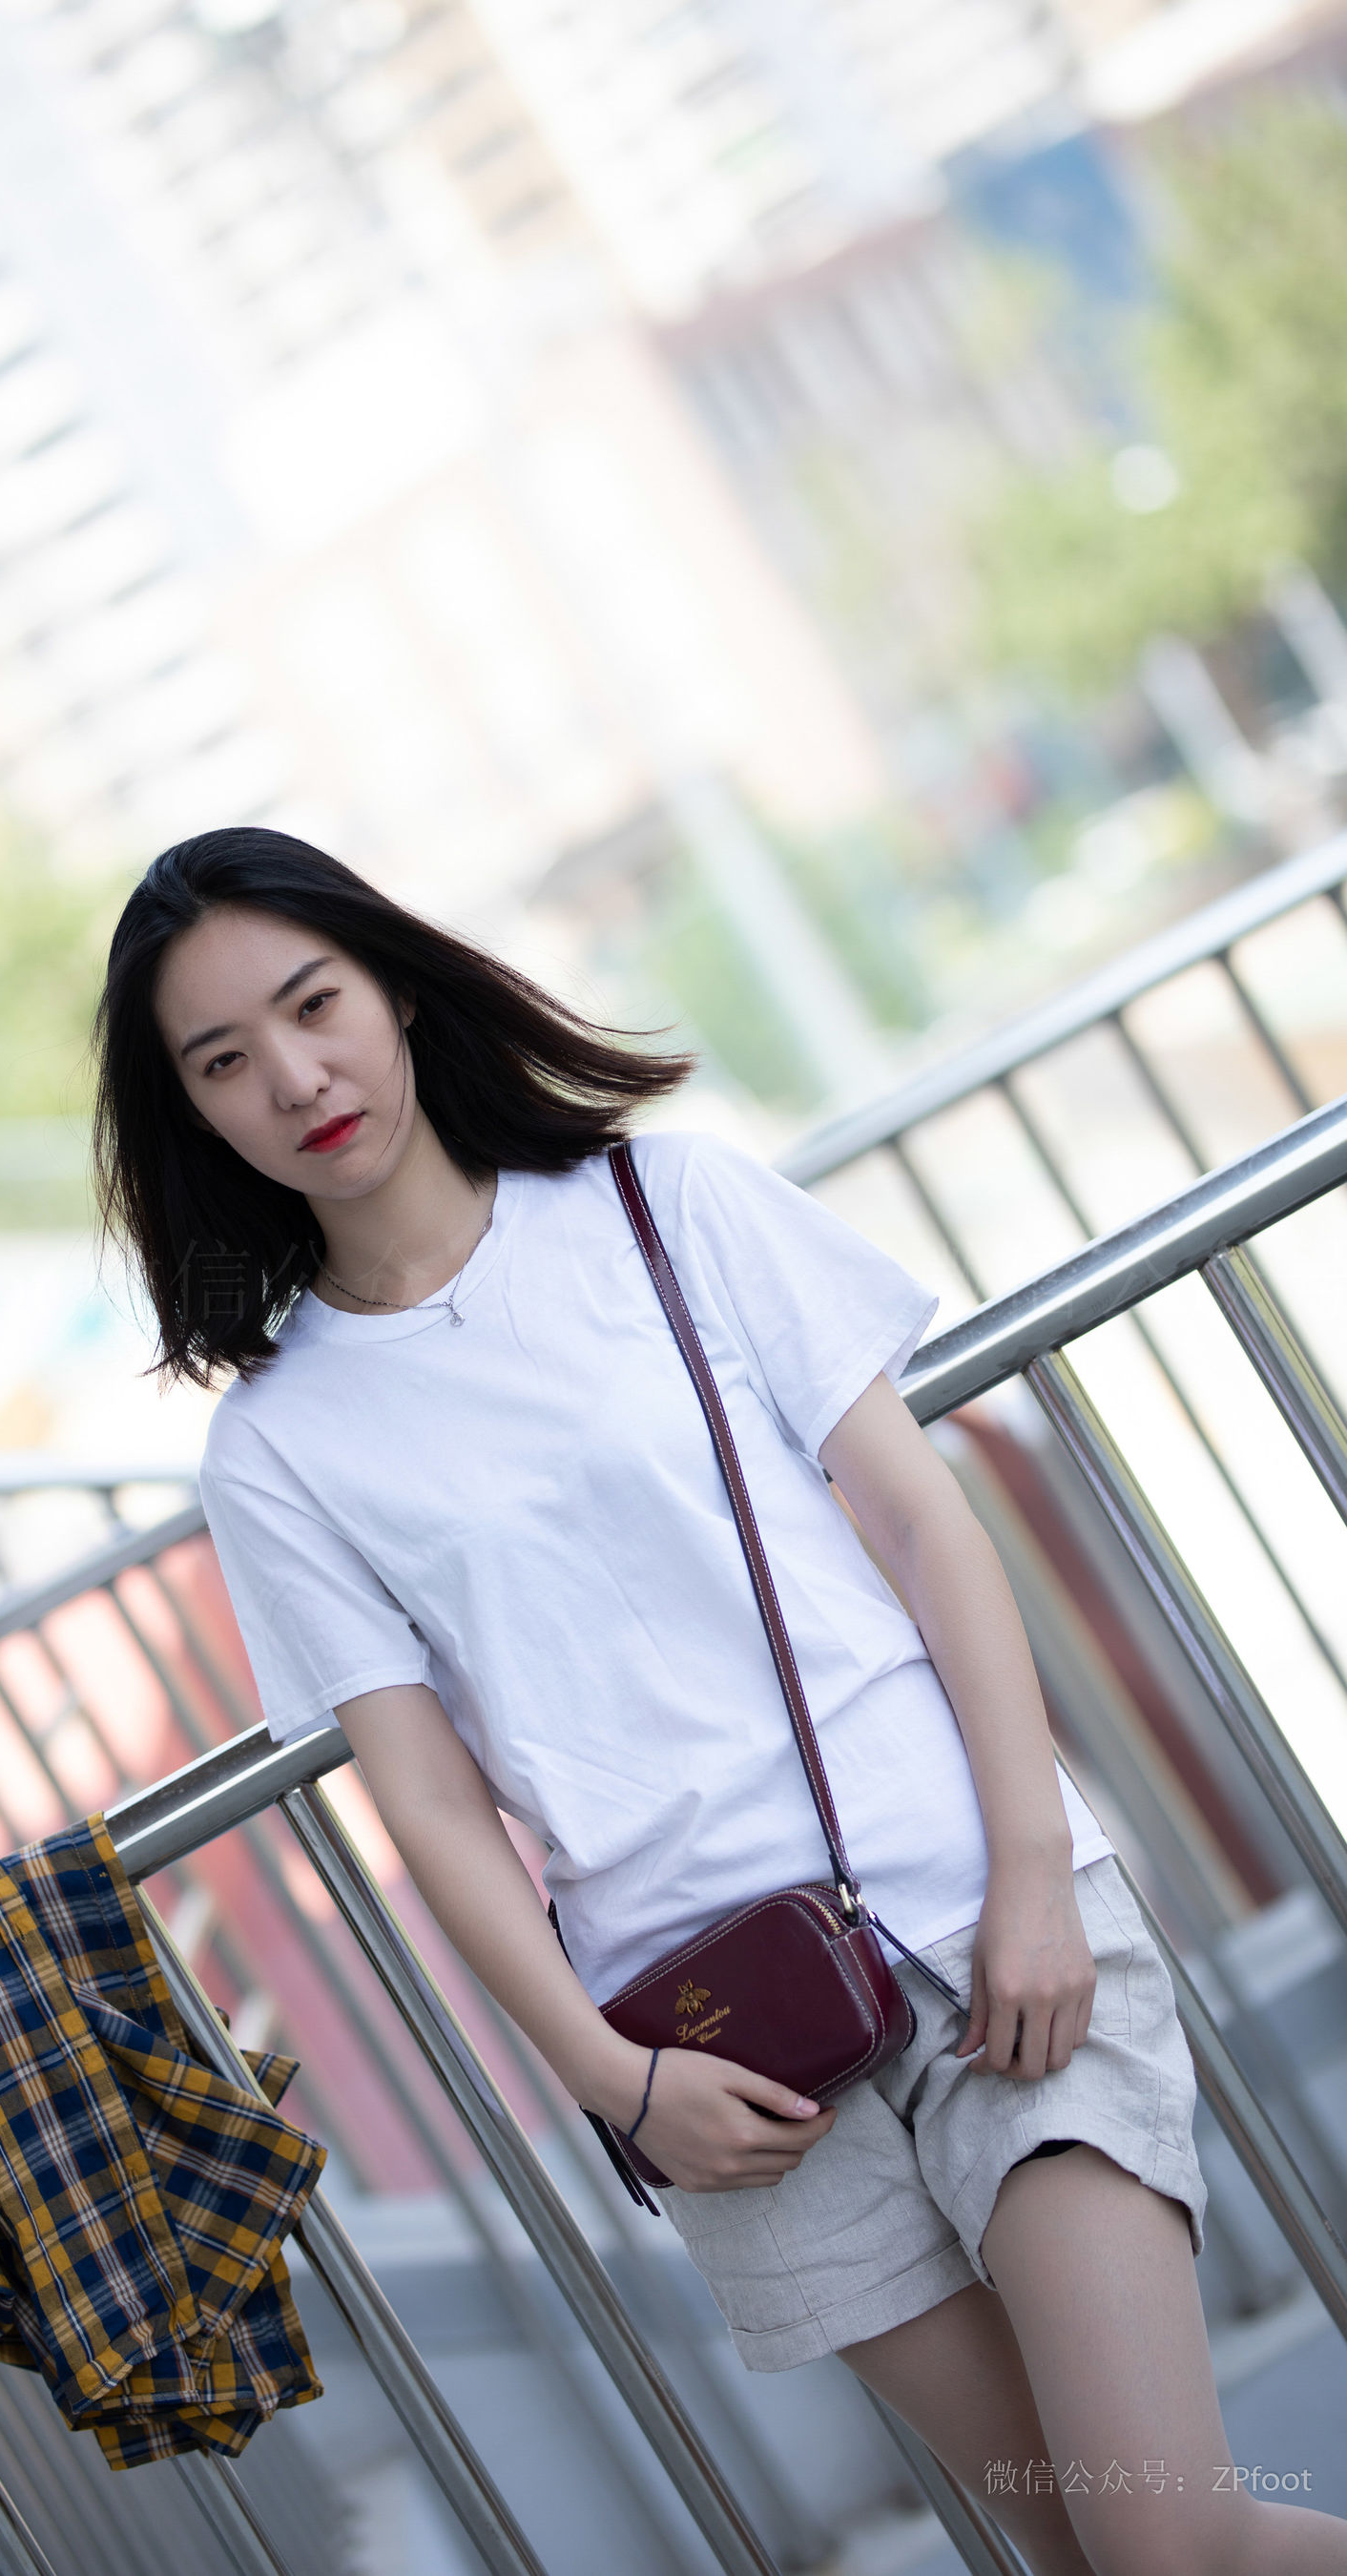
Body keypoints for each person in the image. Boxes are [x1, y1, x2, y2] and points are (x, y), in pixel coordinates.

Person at [93, 825, 1347, 2576]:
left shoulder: (666, 1206)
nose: (295, 1078)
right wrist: (616, 2081)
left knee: (1164, 2546)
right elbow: (430, 1804)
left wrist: (1035, 1876)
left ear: (396, 991)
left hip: (975, 1920)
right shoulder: (280, 1447)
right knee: (1085, 2562)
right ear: (192, 1114)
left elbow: (923, 1524)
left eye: (314, 1006)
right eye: (225, 1060)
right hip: (723, 2052)